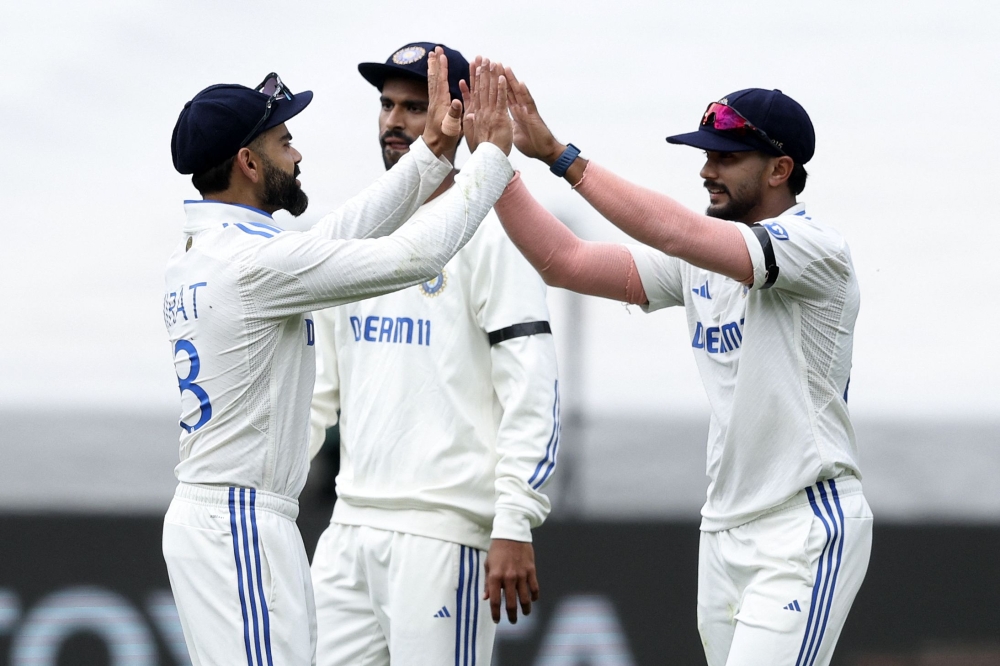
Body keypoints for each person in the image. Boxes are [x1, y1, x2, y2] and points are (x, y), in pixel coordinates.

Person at [478, 63, 873, 666]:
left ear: (779, 169)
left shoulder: (816, 249)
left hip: (804, 526)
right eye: (706, 154)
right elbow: (566, 261)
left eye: (726, 156)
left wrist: (559, 155)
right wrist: (496, 168)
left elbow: (674, 232)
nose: (706, 170)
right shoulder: (704, 259)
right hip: (723, 529)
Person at [161, 50, 515, 665]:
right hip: (240, 520)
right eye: (284, 141)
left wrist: (431, 156)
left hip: (226, 516)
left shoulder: (211, 253)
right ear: (249, 162)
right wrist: (491, 161)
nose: (297, 156)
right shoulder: (255, 265)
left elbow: (344, 233)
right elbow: (412, 258)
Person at [308, 44, 559, 666]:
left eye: (414, 107)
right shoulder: (359, 229)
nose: (394, 121)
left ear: (458, 116)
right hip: (349, 526)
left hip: (445, 534)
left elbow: (531, 383)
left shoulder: (495, 230)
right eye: (387, 105)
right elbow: (317, 392)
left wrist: (515, 518)